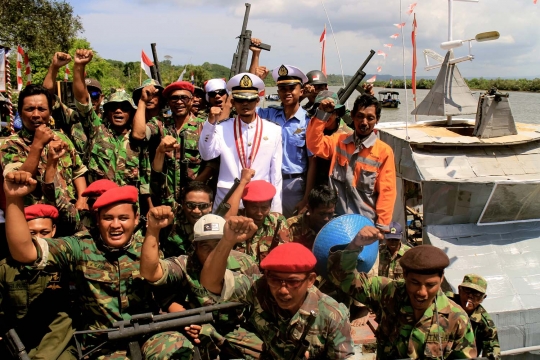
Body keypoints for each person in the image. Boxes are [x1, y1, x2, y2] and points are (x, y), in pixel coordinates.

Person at [3, 172, 195, 359]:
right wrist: (13, 199)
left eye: (123, 218)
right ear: (97, 220)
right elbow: (25, 252)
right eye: (108, 218)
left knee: (176, 347)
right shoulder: (80, 246)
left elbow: (160, 287)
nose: (116, 225)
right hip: (103, 346)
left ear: (136, 220)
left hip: (149, 336)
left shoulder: (146, 247)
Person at [200, 220, 355, 359]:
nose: (282, 290)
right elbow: (210, 283)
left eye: (293, 282)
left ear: (310, 280)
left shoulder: (332, 316)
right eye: (275, 280)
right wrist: (227, 241)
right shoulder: (259, 288)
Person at [327, 231, 478, 359]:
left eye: (431, 285)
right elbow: (344, 279)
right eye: (415, 283)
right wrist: (354, 245)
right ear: (404, 275)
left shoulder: (457, 320)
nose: (422, 292)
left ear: (441, 279)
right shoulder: (387, 292)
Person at [141, 213, 263, 359]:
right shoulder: (184, 264)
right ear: (195, 246)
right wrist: (153, 231)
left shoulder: (246, 263)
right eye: (205, 246)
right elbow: (151, 273)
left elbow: (258, 307)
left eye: (218, 245)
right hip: (191, 329)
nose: (212, 252)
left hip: (234, 330)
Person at [0, 84, 88, 235]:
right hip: (35, 225)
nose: (36, 115)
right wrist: (38, 144)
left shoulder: (61, 137)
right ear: (20, 113)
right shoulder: (9, 144)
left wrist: (82, 198)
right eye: (29, 109)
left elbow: (78, 171)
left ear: (50, 112)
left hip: (69, 217)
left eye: (41, 109)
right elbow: (20, 180)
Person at [71, 49, 153, 207]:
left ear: (132, 112)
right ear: (106, 111)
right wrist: (79, 67)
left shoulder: (137, 138)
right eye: (113, 107)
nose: (118, 110)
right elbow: (82, 99)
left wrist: (149, 207)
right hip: (98, 205)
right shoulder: (96, 128)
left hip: (127, 207)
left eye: (124, 107)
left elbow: (144, 178)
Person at [306, 92, 396, 232]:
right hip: (336, 222)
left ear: (377, 120)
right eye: (360, 116)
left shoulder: (384, 152)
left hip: (365, 226)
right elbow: (314, 144)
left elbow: (387, 193)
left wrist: (382, 227)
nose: (364, 122)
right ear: (352, 115)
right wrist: (322, 114)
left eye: (370, 118)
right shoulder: (338, 141)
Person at [0, 204, 77, 360]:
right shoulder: (6, 268)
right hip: (19, 346)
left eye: (45, 232)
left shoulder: (67, 266)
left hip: (59, 347)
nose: (39, 239)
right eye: (32, 233)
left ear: (54, 230)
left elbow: (67, 319)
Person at [199, 73, 283, 213]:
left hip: (259, 199)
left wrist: (276, 210)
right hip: (228, 197)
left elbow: (276, 174)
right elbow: (207, 154)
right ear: (233, 102)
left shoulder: (273, 130)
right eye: (240, 99)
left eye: (250, 99)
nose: (245, 104)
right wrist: (210, 123)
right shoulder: (220, 128)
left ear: (257, 100)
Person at [255, 64, 317, 218]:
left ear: (301, 91)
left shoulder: (308, 122)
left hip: (294, 185)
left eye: (291, 88)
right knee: (268, 227)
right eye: (283, 89)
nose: (287, 92)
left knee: (292, 228)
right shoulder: (269, 115)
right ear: (278, 92)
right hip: (268, 181)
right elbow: (245, 107)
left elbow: (313, 162)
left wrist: (306, 198)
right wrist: (257, 81)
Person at [446, 274, 501, 360]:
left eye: (477, 294)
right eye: (467, 290)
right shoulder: (445, 302)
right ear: (460, 290)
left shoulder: (484, 323)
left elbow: (493, 351)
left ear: (483, 298)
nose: (470, 296)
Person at [237, 180, 290, 264]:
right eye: (254, 207)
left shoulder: (278, 221)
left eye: (264, 208)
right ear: (244, 204)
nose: (259, 213)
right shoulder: (236, 222)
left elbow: (284, 253)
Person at [158, 181, 214, 257]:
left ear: (210, 206)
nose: (196, 211)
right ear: (183, 204)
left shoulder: (217, 226)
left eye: (203, 206)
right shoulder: (173, 215)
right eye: (190, 205)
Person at [287, 184, 337, 250]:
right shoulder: (292, 227)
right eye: (322, 214)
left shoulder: (337, 227)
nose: (327, 219)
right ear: (309, 209)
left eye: (330, 213)